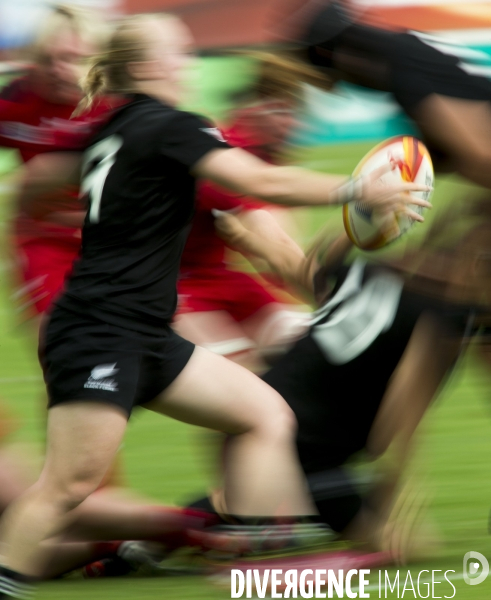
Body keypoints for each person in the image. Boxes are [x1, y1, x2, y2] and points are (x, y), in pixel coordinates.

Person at [0, 14, 430, 599]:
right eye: (177, 53)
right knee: (66, 488)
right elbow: (259, 181)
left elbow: (43, 180)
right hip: (102, 332)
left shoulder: (109, 128)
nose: (186, 63)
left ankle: (253, 559)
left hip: (148, 333)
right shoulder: (169, 125)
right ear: (149, 66)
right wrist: (359, 189)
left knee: (265, 414)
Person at [184, 203, 485, 565]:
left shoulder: (374, 270)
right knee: (402, 547)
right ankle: (261, 517)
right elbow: (398, 421)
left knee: (262, 499)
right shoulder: (441, 321)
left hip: (248, 424)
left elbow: (303, 270)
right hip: (300, 455)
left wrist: (248, 239)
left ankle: (171, 527)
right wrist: (393, 504)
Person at [175, 53, 326, 369]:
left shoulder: (260, 157)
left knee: (314, 349)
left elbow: (279, 251)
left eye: (296, 113)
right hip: (171, 287)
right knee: (243, 385)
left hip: (218, 278)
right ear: (254, 108)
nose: (292, 123)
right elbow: (275, 254)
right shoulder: (228, 155)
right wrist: (342, 295)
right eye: (281, 110)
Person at [287, 0, 491, 189]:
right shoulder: (405, 58)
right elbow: (451, 157)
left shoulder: (405, 69)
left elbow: (479, 158)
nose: (332, 87)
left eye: (326, 75)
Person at [0, 5, 114, 325]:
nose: (56, 69)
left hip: (117, 242)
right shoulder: (17, 102)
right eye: (47, 59)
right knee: (59, 346)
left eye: (71, 58)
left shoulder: (124, 104)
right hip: (45, 244)